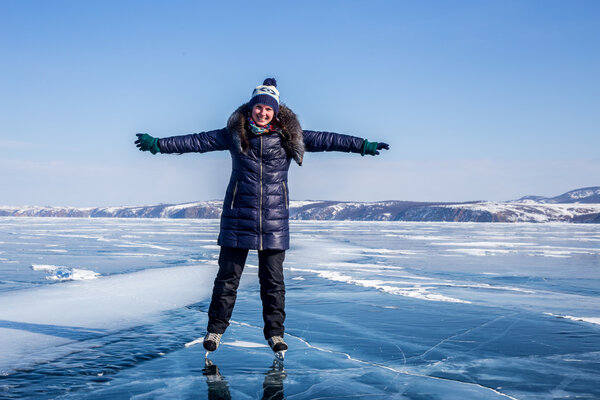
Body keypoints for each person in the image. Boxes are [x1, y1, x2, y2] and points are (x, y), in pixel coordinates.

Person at [135, 78, 389, 355]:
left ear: (276, 111)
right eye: (259, 107)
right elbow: (196, 141)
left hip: (274, 218)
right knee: (227, 278)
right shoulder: (234, 133)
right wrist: (158, 144)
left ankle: (275, 334)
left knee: (273, 282)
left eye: (268, 109)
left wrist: (363, 145)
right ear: (251, 108)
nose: (263, 112)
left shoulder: (289, 136)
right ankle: (215, 330)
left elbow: (330, 140)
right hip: (237, 215)